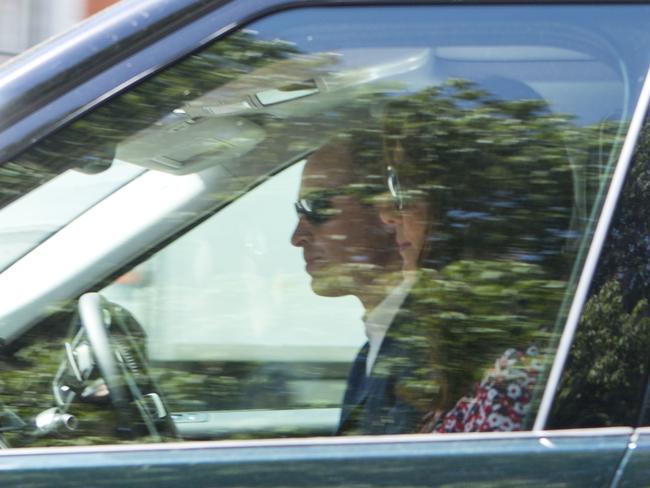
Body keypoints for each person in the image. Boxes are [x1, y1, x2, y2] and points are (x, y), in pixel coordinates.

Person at [375, 79, 576, 432]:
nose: (387, 212)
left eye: (403, 186)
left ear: (464, 209)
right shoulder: (480, 364)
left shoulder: (515, 380)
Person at [291, 130, 427, 435]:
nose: (297, 237)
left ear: (389, 213)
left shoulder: (428, 352)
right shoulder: (374, 351)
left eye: (317, 207)